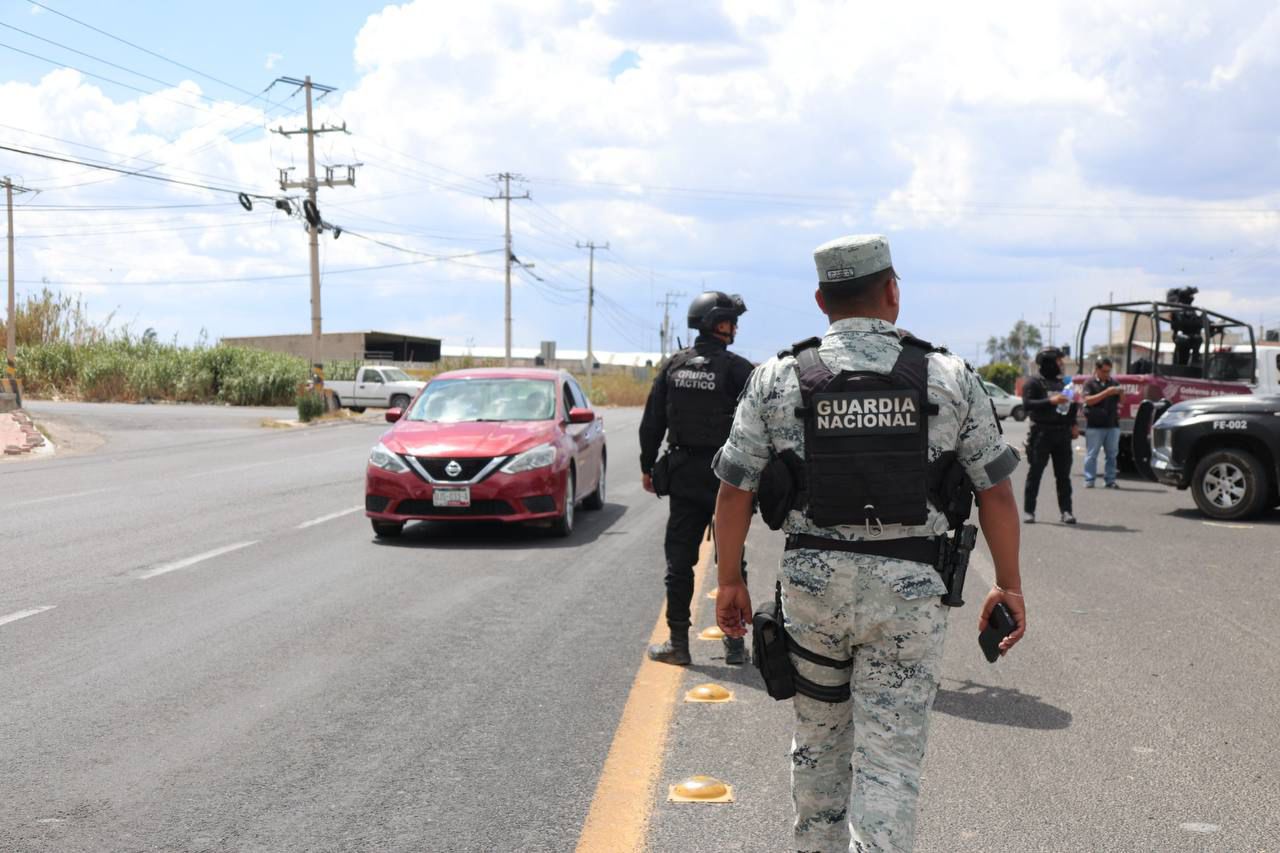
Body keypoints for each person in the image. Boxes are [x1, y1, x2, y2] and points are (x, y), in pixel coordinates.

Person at [711, 235, 1026, 853]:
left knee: (818, 742)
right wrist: (1007, 584)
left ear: (821, 300)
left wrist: (729, 580)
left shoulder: (777, 377)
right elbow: (995, 492)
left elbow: (734, 491)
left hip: (812, 594)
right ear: (892, 293)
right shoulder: (948, 374)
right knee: (891, 760)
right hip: (908, 597)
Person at [639, 291, 754, 666]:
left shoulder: (674, 366)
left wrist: (646, 465)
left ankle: (678, 644)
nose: (733, 327)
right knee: (732, 562)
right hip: (729, 479)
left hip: (685, 476)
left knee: (679, 564)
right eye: (728, 321)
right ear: (716, 324)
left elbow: (652, 422)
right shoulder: (740, 370)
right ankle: (735, 647)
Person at [1021, 348, 1079, 524]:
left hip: (1062, 434)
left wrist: (1074, 424)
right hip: (1041, 434)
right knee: (1035, 473)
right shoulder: (1034, 383)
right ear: (1048, 362)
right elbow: (1027, 405)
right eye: (1058, 361)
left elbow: (1071, 405)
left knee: (1063, 476)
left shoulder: (1064, 384)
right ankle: (1029, 511)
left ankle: (1066, 511)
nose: (1061, 364)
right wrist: (1050, 401)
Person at [1081, 358, 1123, 489]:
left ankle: (1110, 480)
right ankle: (1089, 479)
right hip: (1095, 425)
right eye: (1104, 371)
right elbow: (1088, 400)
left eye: (1109, 371)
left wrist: (1121, 392)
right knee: (1092, 454)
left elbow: (1122, 401)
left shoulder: (1114, 383)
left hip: (1112, 424)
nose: (1107, 374)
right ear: (1097, 370)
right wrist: (1106, 393)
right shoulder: (1090, 383)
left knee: (1112, 455)